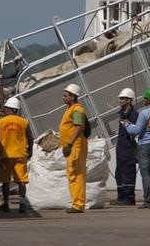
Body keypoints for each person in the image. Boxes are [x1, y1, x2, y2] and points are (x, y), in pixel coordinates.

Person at [0, 97, 34, 213]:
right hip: (20, 155)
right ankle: (22, 204)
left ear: (8, 109)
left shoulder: (0, 122)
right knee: (21, 181)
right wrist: (30, 149)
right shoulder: (23, 122)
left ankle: (6, 204)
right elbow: (30, 138)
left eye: (5, 108)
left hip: (6, 156)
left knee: (5, 181)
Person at [124, 88, 150, 209]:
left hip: (145, 145)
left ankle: (148, 201)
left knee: (146, 174)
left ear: (148, 100)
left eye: (145, 98)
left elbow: (136, 130)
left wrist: (126, 124)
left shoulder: (144, 113)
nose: (144, 100)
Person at [59, 83, 88, 213]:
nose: (63, 97)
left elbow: (79, 127)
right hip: (72, 146)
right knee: (72, 174)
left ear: (72, 97)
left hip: (75, 146)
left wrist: (70, 143)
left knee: (77, 174)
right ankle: (76, 202)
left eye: (65, 95)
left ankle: (78, 204)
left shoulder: (77, 110)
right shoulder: (70, 109)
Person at [110, 87, 138, 206]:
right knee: (119, 171)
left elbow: (134, 130)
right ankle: (121, 197)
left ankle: (129, 198)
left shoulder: (134, 114)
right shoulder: (122, 113)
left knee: (128, 171)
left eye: (122, 98)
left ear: (129, 100)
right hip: (121, 146)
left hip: (128, 146)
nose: (120, 101)